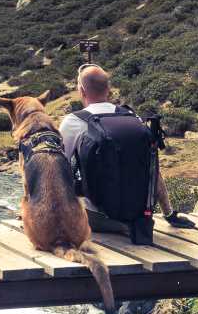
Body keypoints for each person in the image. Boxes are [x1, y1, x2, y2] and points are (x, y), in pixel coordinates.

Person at [58, 65, 190, 241]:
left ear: (81, 91)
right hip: (139, 216)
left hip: (97, 219)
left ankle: (116, 225)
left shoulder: (73, 121)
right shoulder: (131, 116)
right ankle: (125, 225)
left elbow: (57, 171)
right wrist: (169, 214)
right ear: (109, 89)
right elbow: (152, 171)